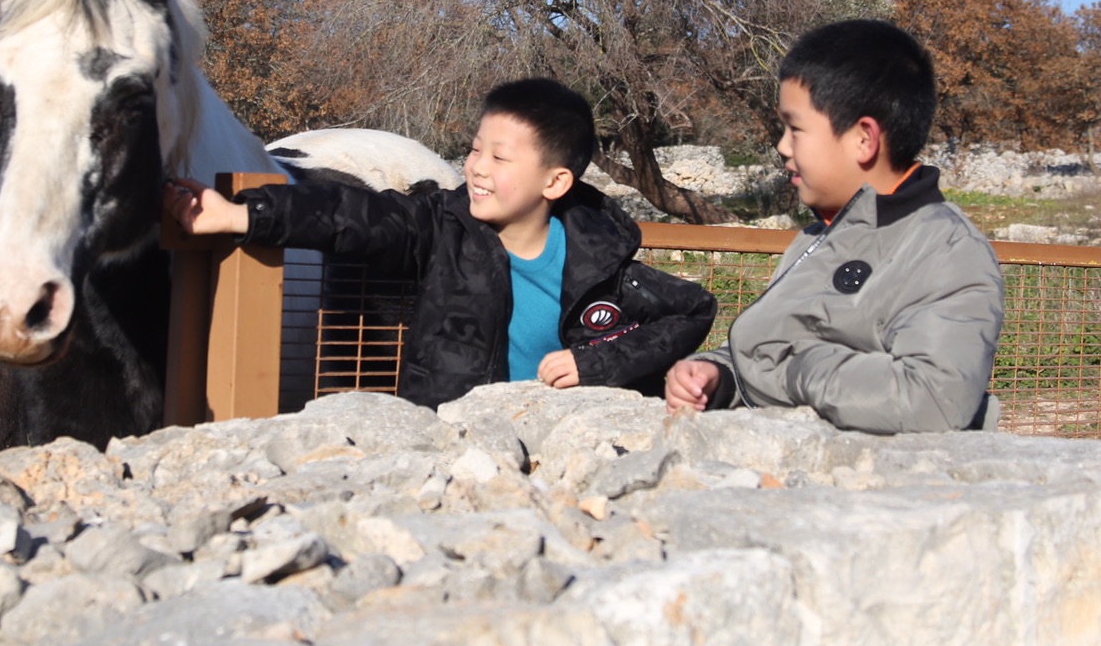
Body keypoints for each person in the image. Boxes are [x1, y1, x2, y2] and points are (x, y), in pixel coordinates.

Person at [166, 78, 718, 409]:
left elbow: (694, 309)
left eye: (499, 159)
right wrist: (244, 215)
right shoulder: (442, 227)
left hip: (566, 436)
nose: (475, 168)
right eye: (475, 150)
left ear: (555, 182)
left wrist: (598, 363)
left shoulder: (599, 258)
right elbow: (352, 214)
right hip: (457, 437)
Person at [664, 20, 1004, 432]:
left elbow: (932, 399)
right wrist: (716, 376)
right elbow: (769, 347)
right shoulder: (817, 237)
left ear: (864, 139)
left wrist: (793, 368)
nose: (782, 147)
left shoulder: (948, 250)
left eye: (796, 128)